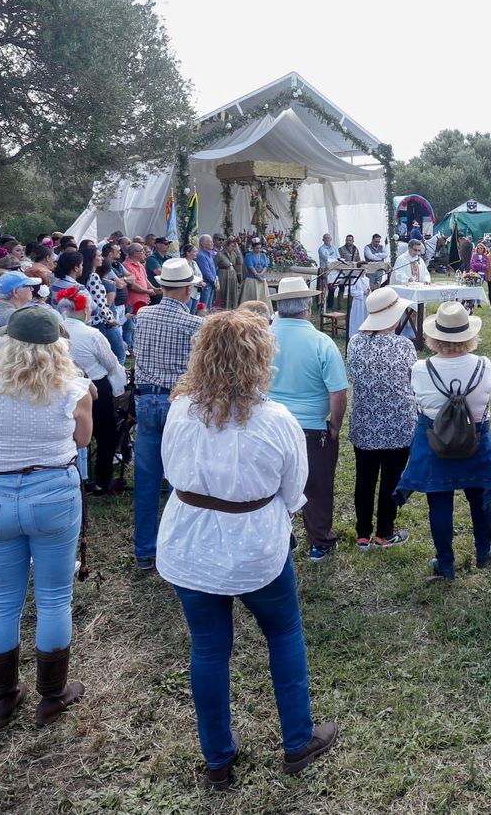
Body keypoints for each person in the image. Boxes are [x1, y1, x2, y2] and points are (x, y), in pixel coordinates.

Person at [156, 308, 338, 786]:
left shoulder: (180, 409)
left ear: (204, 356)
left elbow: (169, 470)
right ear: (260, 358)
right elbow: (294, 492)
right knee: (283, 634)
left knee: (210, 649)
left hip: (191, 542)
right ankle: (297, 740)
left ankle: (219, 757)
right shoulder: (275, 420)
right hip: (254, 545)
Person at [0, 305, 92, 726]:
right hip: (52, 490)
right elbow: (83, 438)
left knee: (1, 600)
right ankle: (51, 694)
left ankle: (3, 696)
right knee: (53, 598)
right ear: (57, 346)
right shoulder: (72, 388)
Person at [396, 301, 491, 579]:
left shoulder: (420, 368)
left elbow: (419, 402)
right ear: (469, 335)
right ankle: (483, 551)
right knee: (479, 498)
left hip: (435, 441)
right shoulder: (483, 364)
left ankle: (445, 563)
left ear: (435, 336)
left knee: (439, 503)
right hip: (475, 439)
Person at [131, 259, 205, 570]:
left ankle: (145, 550)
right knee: (183, 479)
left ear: (162, 288)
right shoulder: (195, 325)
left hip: (147, 399)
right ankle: (179, 548)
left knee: (147, 480)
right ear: (188, 290)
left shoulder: (143, 315)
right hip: (179, 402)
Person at [268, 276, 348, 562]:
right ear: (308, 306)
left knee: (273, 486)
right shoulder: (321, 341)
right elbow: (338, 392)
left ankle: (283, 537)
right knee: (317, 487)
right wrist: (336, 425)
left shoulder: (263, 336)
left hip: (269, 425)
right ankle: (320, 542)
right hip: (312, 427)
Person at [344, 287, 415, 551]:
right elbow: (412, 382)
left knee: (364, 479)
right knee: (391, 480)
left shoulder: (354, 343)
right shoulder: (404, 346)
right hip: (399, 423)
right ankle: (385, 531)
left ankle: (363, 533)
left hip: (365, 422)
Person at [57, 287, 125, 493]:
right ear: (85, 310)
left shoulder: (56, 330)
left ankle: (74, 475)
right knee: (106, 436)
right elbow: (111, 363)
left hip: (63, 387)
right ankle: (102, 480)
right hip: (95, 388)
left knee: (70, 433)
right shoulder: (91, 334)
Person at [242, 238, 271, 305]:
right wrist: (257, 276)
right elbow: (251, 267)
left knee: (263, 298)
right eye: (257, 248)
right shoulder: (248, 256)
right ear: (253, 248)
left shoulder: (263, 255)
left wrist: (261, 274)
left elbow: (265, 266)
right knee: (253, 298)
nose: (258, 250)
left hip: (262, 280)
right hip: (252, 280)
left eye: (260, 248)